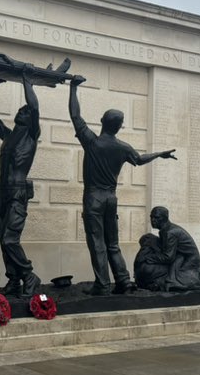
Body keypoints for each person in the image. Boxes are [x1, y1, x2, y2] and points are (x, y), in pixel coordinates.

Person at [68, 75, 176, 295]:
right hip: (111, 199)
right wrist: (159, 155)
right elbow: (140, 159)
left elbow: (75, 115)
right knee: (113, 244)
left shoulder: (92, 141)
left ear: (101, 121)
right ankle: (124, 280)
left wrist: (73, 88)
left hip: (94, 199)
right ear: (119, 127)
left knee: (97, 243)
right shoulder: (122, 147)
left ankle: (102, 284)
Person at [0, 72, 43, 297]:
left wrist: (27, 83)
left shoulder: (31, 135)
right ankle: (13, 279)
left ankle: (29, 275)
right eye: (20, 110)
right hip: (2, 191)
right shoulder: (9, 136)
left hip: (18, 191)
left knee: (11, 239)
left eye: (25, 111)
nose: (22, 111)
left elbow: (35, 107)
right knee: (3, 238)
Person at [147, 206, 200, 291]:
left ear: (165, 218)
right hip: (179, 257)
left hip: (188, 261)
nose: (153, 220)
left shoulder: (170, 233)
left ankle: (199, 276)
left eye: (157, 217)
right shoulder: (165, 230)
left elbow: (168, 257)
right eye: (151, 217)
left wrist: (150, 257)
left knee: (171, 282)